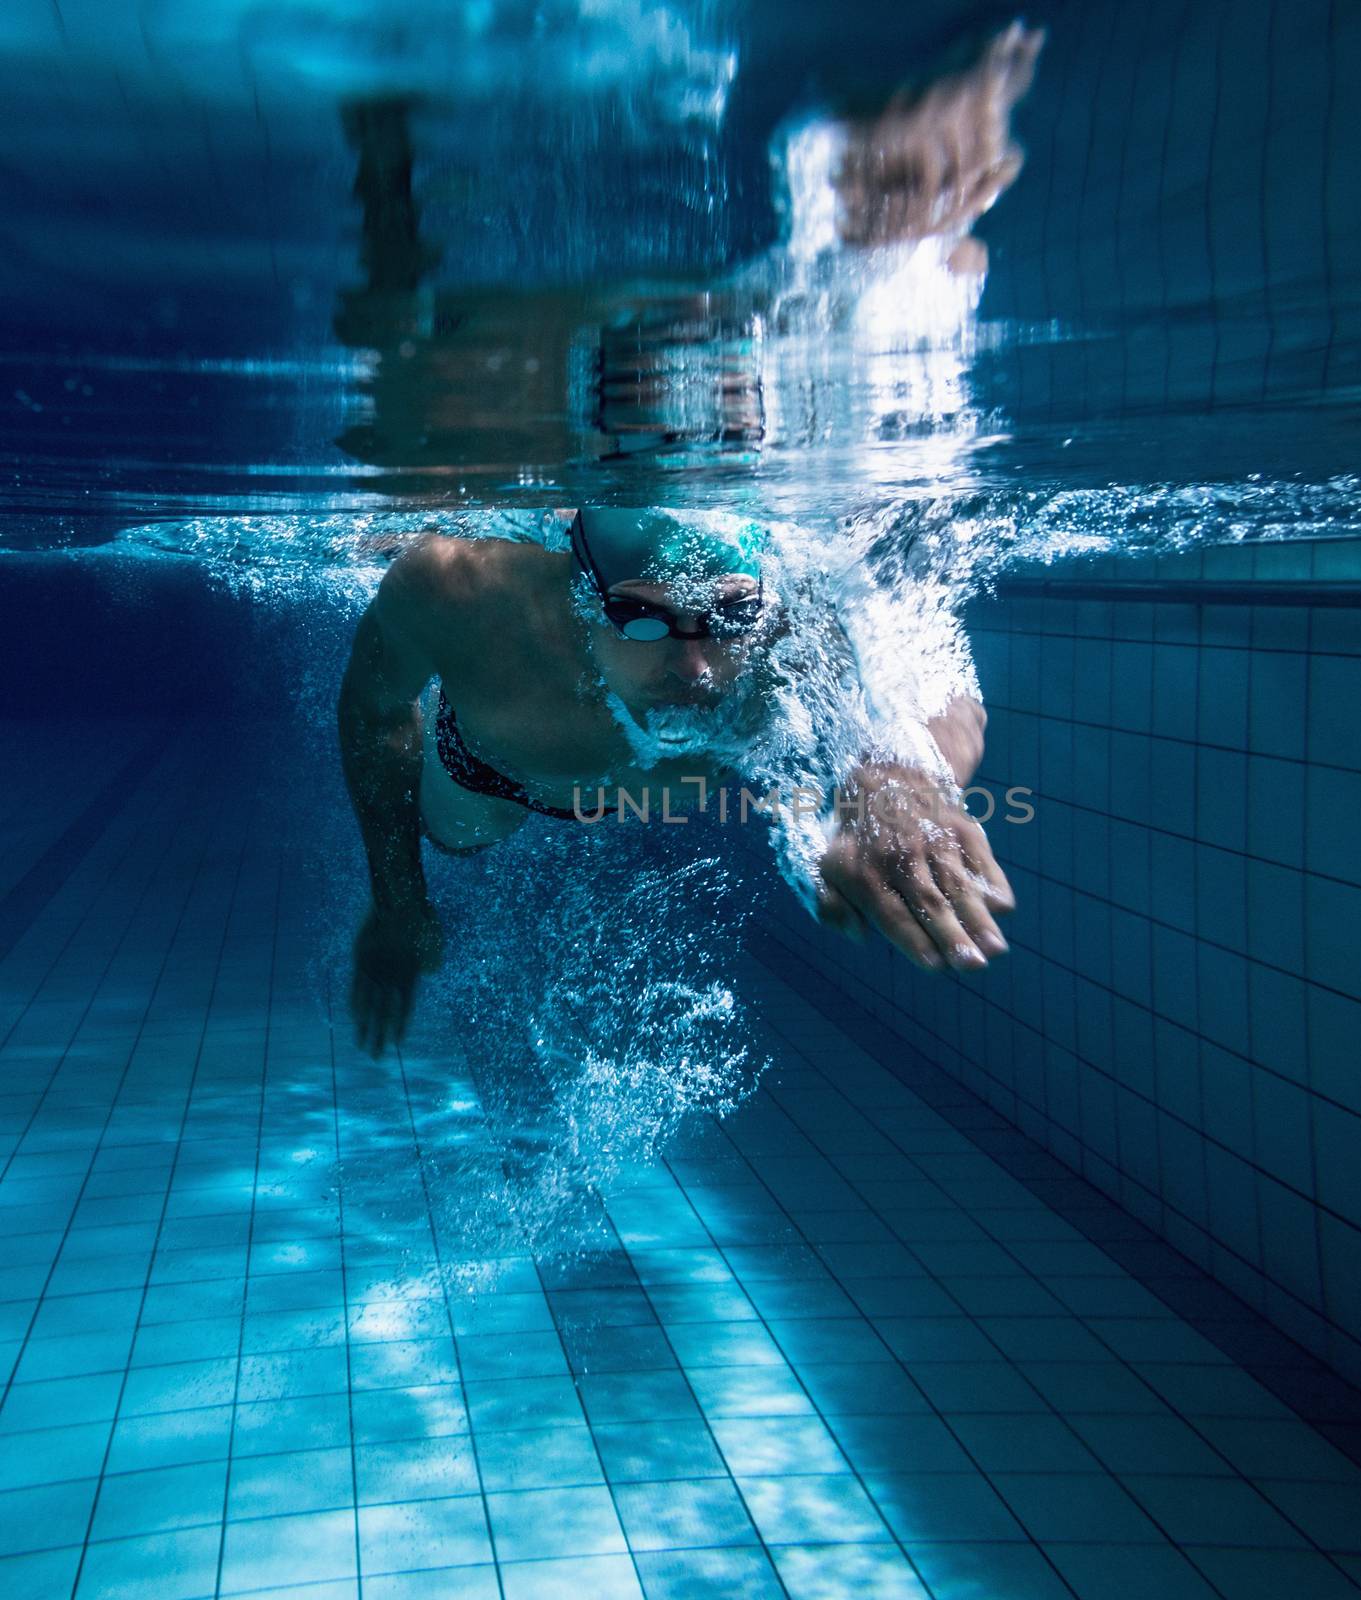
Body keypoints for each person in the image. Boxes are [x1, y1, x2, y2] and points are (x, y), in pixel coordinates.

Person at [337, 24, 1045, 1056]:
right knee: (465, 835)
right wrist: (397, 901)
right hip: (492, 776)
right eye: (648, 614)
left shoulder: (798, 621)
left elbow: (930, 683)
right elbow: (370, 710)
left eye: (730, 613)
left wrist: (899, 777)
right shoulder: (459, 591)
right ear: (583, 589)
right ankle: (390, 184)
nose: (702, 662)